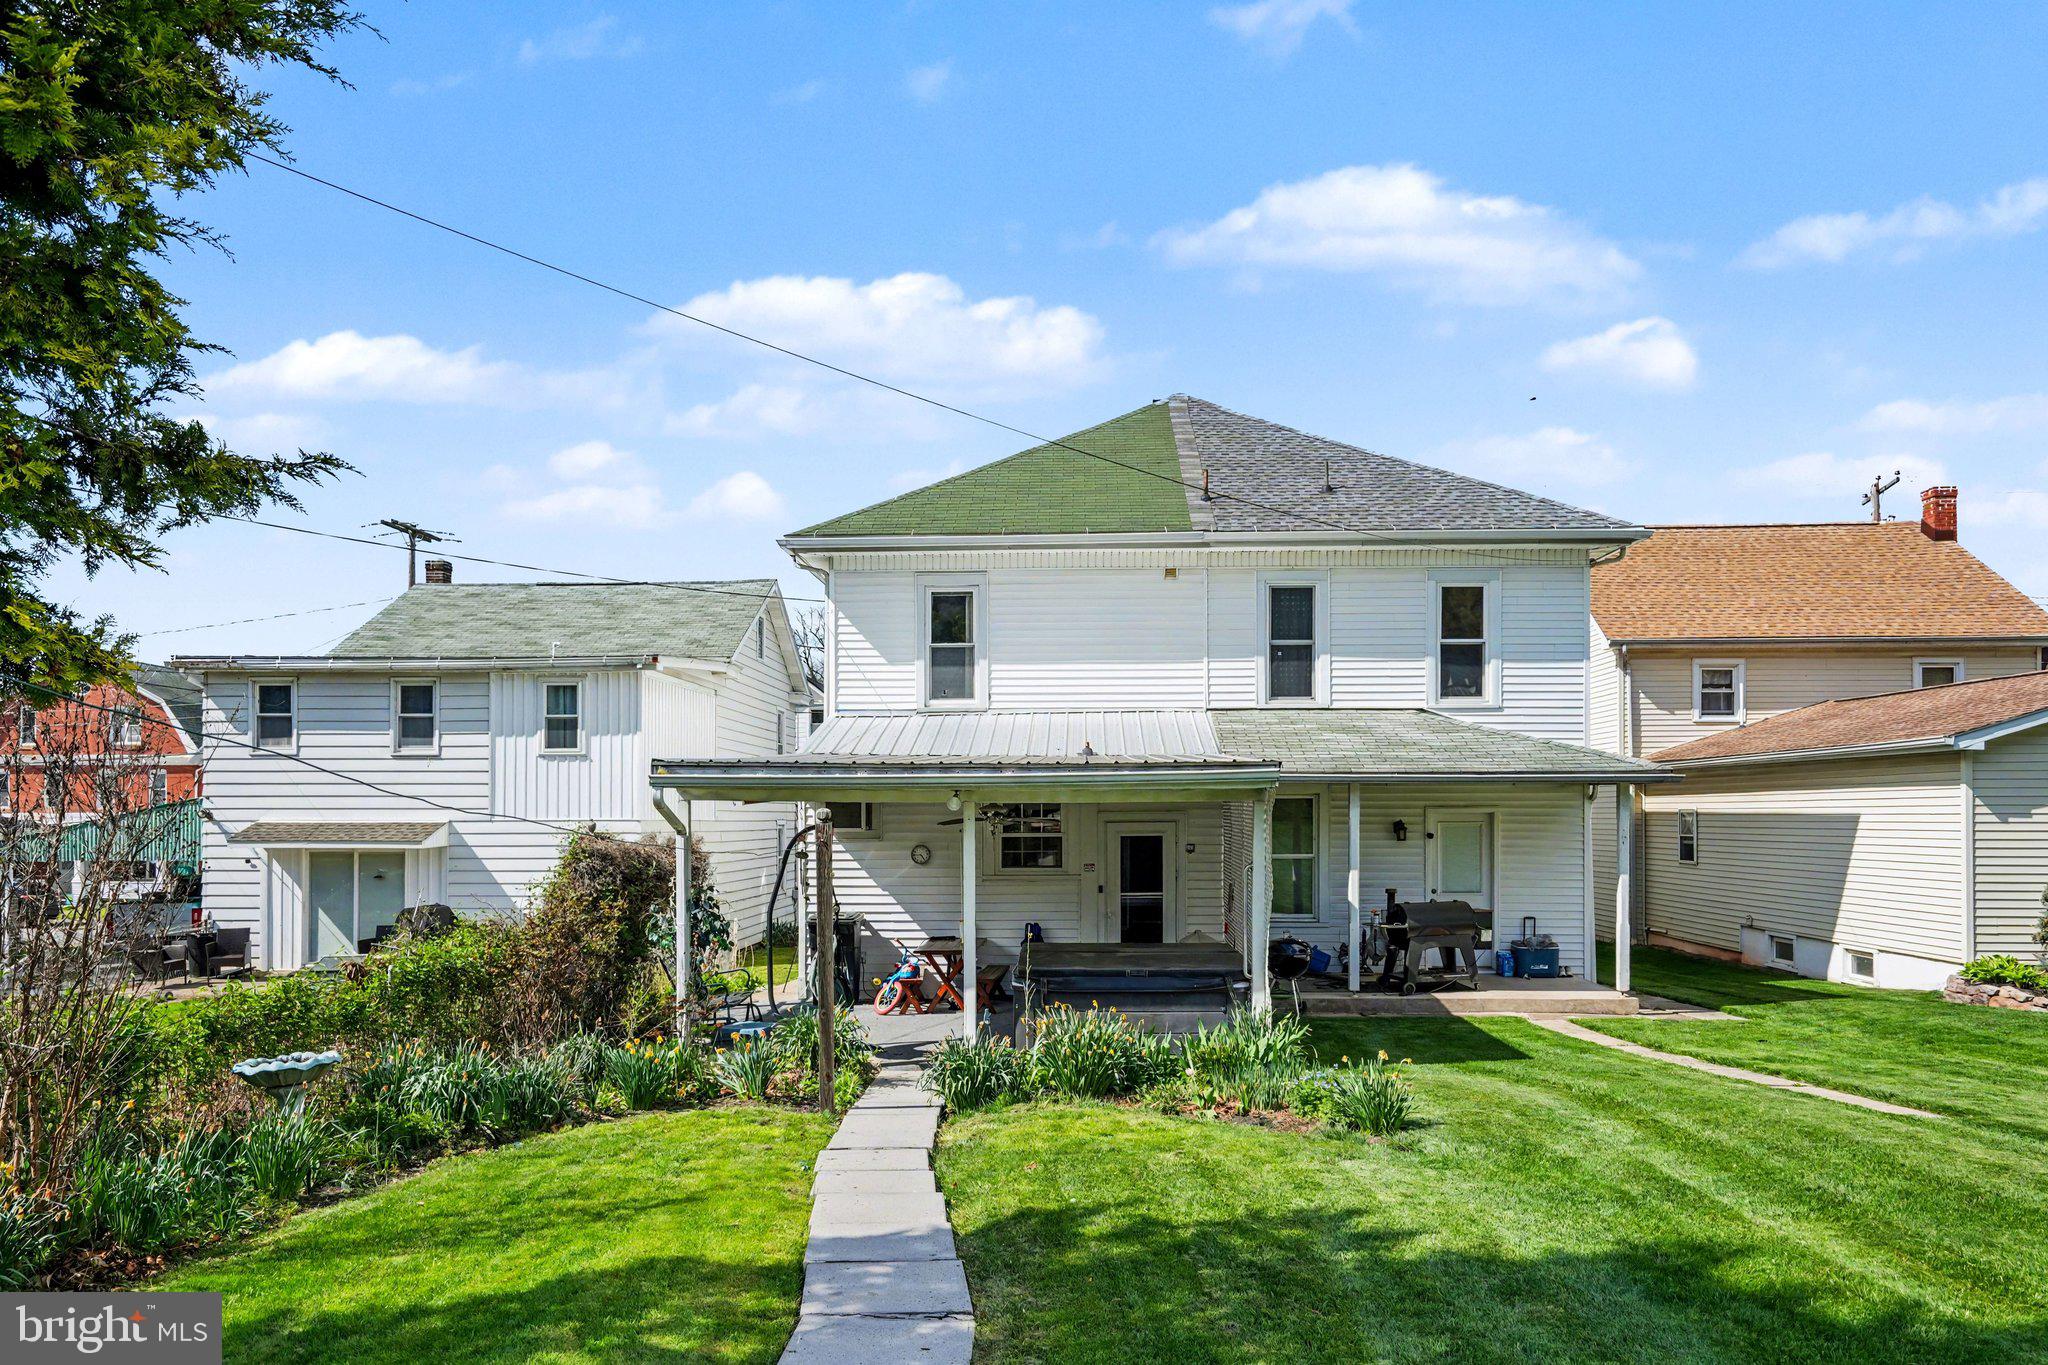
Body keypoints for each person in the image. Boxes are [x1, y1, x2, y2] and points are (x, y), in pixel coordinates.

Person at [1376, 899, 1411, 990]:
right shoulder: (1397, 914)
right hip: (1398, 938)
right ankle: (1388, 978)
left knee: (1395, 949)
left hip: (1400, 938)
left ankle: (1387, 978)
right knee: (1393, 948)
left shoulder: (1398, 913)